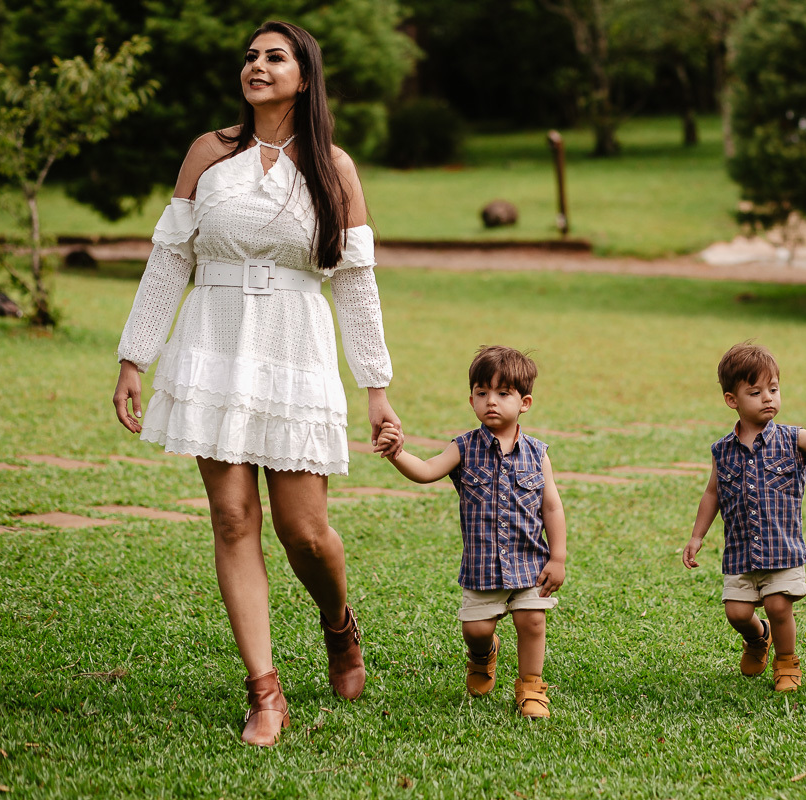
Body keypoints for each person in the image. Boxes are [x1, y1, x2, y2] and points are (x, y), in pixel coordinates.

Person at [112, 21, 403, 746]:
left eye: (275, 56)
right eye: (250, 56)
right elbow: (169, 258)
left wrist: (376, 384)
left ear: (306, 75)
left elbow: (357, 284)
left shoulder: (334, 166)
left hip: (296, 347)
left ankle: (339, 625)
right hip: (212, 342)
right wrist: (133, 357)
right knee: (234, 517)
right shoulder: (209, 154)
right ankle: (265, 692)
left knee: (305, 532)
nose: (257, 65)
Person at [376, 346, 567, 719]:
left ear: (524, 402)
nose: (490, 402)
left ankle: (531, 688)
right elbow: (427, 470)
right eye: (482, 393)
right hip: (482, 566)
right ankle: (483, 654)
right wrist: (398, 453)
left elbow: (552, 507)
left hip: (529, 560)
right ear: (471, 400)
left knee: (532, 621)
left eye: (502, 393)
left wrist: (557, 556)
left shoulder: (537, 453)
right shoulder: (463, 447)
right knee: (477, 629)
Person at [682, 342, 806, 692]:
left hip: (781, 549)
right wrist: (697, 536)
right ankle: (759, 639)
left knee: (777, 603)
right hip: (741, 551)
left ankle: (786, 661)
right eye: (755, 392)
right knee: (737, 614)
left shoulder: (793, 438)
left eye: (773, 389)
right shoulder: (722, 450)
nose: (768, 398)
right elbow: (712, 493)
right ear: (733, 400)